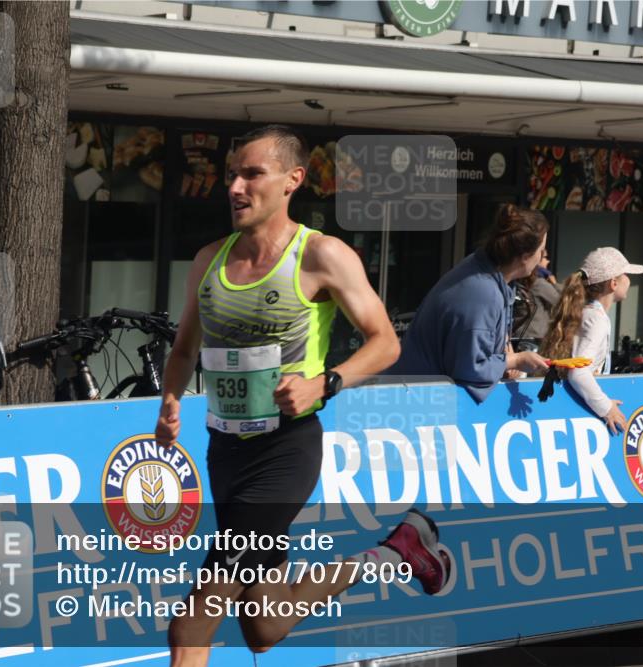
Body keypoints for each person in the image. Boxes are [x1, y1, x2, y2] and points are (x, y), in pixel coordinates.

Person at [154, 125, 450, 667]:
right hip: (226, 453)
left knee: (192, 623)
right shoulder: (209, 261)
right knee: (264, 628)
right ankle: (396, 550)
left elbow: (385, 343)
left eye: (251, 174)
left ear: (293, 180)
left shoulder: (321, 255)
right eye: (230, 175)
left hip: (286, 452)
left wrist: (325, 382)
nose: (235, 187)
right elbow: (182, 352)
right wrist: (170, 401)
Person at [388, 203, 551, 401]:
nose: (543, 257)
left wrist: (503, 352)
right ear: (525, 257)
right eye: (541, 251)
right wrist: (516, 360)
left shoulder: (483, 269)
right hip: (417, 400)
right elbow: (470, 369)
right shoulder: (483, 292)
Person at [539, 248, 643, 435]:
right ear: (613, 283)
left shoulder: (585, 312)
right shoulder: (596, 319)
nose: (629, 279)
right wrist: (607, 408)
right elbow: (578, 373)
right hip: (580, 411)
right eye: (626, 274)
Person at [512, 247, 561, 352]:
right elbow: (560, 301)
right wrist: (553, 282)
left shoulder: (516, 281)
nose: (548, 261)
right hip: (534, 339)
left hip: (517, 336)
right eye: (545, 257)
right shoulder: (539, 284)